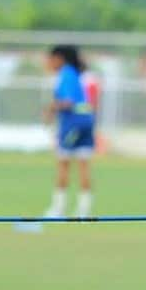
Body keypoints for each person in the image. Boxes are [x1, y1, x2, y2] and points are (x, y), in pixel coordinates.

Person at [42, 44, 96, 219]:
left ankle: (58, 209)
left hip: (72, 123)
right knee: (84, 166)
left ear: (59, 58)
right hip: (87, 121)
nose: (48, 63)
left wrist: (50, 108)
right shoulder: (76, 74)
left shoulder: (65, 74)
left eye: (50, 59)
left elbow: (67, 101)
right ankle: (84, 210)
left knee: (63, 164)